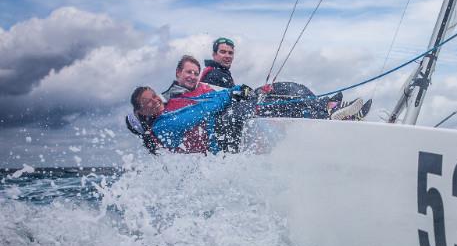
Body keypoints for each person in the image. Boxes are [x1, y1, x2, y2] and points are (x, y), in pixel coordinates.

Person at [126, 84, 370, 155]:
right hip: (223, 137)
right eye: (148, 103)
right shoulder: (162, 127)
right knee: (264, 107)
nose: (155, 101)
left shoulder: (167, 112)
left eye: (153, 96)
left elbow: (206, 105)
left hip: (225, 125)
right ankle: (328, 111)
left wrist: (237, 92)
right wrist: (232, 93)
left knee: (281, 89)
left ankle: (331, 107)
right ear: (141, 113)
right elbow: (202, 112)